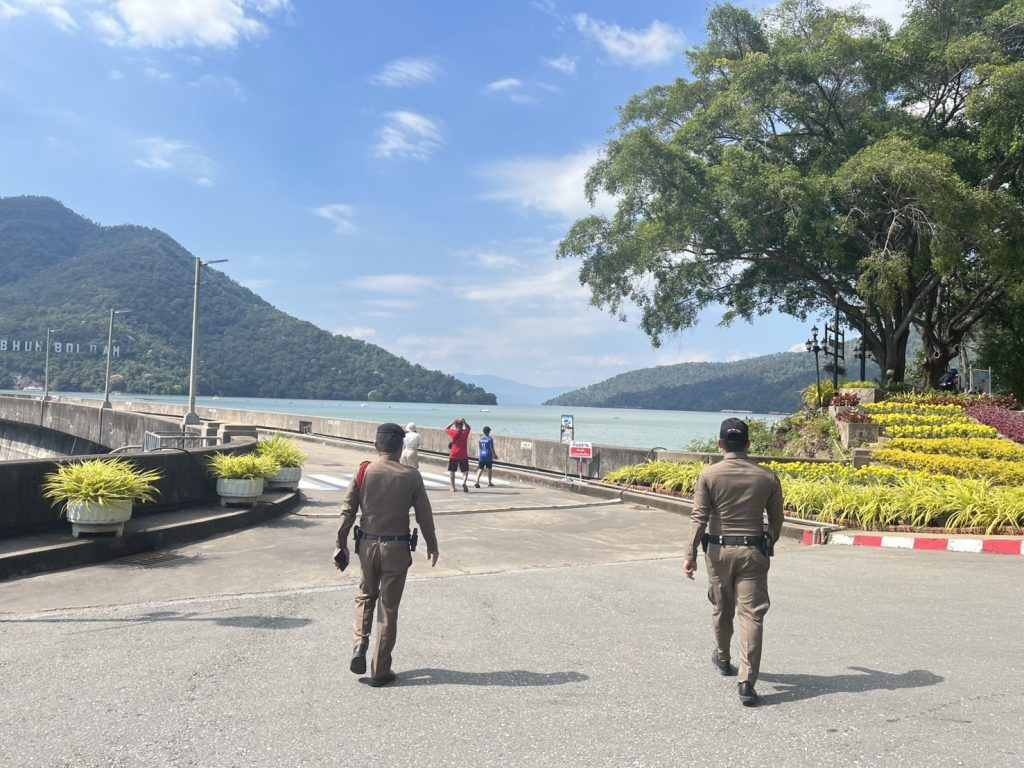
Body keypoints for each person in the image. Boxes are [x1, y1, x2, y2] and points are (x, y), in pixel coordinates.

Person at [683, 418, 783, 707]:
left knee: (721, 607)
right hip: (753, 551)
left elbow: (699, 517)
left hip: (718, 552)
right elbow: (776, 519)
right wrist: (768, 543)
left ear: (720, 444)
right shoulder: (767, 477)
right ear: (748, 444)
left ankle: (724, 657)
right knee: (752, 615)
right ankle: (747, 682)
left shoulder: (708, 475)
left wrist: (690, 555)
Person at [333, 422, 439, 687]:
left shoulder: (364, 471)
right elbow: (424, 515)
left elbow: (347, 511)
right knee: (388, 608)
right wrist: (432, 544)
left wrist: (340, 543)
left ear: (375, 445)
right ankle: (380, 669)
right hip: (397, 548)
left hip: (367, 545)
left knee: (365, 595)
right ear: (401, 447)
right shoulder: (411, 476)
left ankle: (360, 644)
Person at [445, 417, 471, 492]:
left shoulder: (453, 432)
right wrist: (465, 422)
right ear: (462, 425)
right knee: (465, 470)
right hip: (463, 455)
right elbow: (469, 428)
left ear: (456, 425)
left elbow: (446, 429)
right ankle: (464, 482)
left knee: (452, 471)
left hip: (454, 454)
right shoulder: (465, 432)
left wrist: (452, 423)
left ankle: (453, 487)